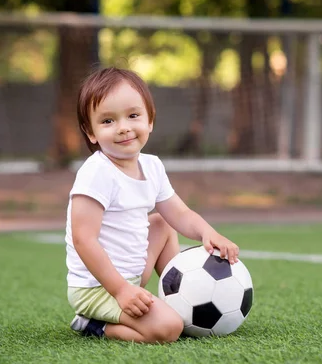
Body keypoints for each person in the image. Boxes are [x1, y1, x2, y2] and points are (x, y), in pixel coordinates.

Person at [65, 67, 240, 343]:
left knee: (163, 222)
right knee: (170, 328)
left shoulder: (152, 166)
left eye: (133, 116)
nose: (123, 127)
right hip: (98, 287)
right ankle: (93, 324)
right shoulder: (96, 172)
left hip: (132, 276)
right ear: (91, 132)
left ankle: (181, 294)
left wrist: (209, 233)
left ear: (150, 121)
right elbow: (83, 239)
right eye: (108, 121)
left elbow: (179, 213)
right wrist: (121, 291)